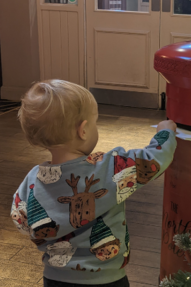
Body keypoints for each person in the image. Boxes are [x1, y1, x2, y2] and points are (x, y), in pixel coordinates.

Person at [11, 80, 177, 286]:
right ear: (84, 130)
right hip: (107, 279)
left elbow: (21, 220)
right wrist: (165, 132)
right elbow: (153, 160)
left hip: (55, 278)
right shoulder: (107, 167)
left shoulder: (32, 180)